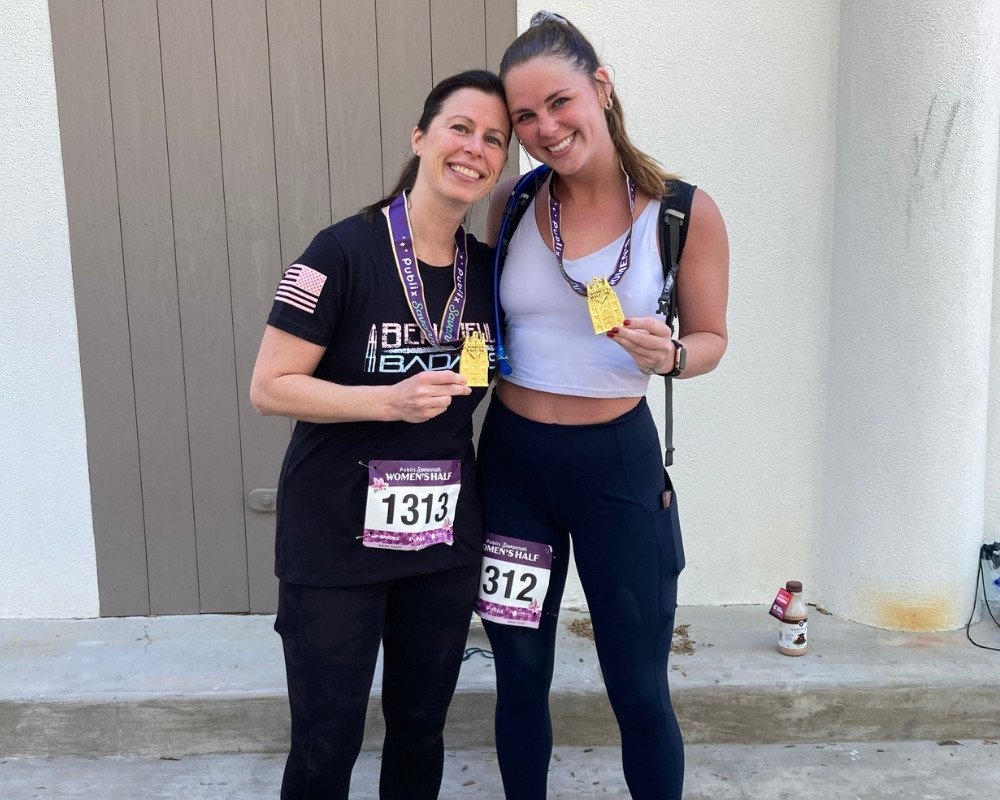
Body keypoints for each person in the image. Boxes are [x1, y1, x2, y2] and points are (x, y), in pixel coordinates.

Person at [478, 12, 729, 800]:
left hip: (617, 471)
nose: (545, 128)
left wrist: (675, 356)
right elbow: (487, 325)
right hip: (511, 473)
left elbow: (713, 337)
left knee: (638, 688)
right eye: (525, 117)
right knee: (518, 676)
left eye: (559, 102)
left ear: (602, 88)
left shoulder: (683, 211)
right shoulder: (516, 203)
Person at [249, 69, 510, 800]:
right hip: (335, 541)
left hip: (440, 544)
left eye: (495, 139)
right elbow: (269, 387)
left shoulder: (487, 274)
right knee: (327, 740)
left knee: (422, 727)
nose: (475, 148)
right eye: (460, 127)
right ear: (421, 137)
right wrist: (385, 403)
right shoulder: (341, 252)